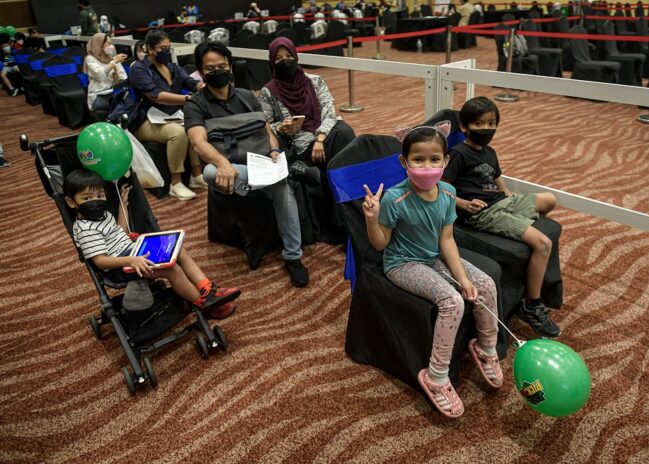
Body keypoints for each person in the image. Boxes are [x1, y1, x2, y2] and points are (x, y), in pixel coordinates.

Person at [362, 125, 502, 419]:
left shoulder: (449, 192)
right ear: (404, 162)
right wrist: (372, 220)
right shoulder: (394, 199)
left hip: (435, 257)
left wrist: (463, 278)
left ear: (446, 161)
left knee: (485, 284)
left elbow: (446, 240)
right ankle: (436, 376)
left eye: (434, 159)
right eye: (418, 159)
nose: (427, 167)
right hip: (403, 264)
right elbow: (380, 244)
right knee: (452, 301)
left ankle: (486, 347)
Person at [183, 41, 310, 288]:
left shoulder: (247, 96)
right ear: (200, 72)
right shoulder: (195, 104)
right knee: (210, 172)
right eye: (210, 69)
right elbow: (198, 142)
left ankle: (293, 258)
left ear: (230, 66)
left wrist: (274, 151)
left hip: (260, 161)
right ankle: (289, 174)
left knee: (280, 188)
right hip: (232, 171)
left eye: (222, 66)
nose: (218, 71)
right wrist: (223, 162)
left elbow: (266, 131)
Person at [442, 97, 560, 338]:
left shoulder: (490, 152)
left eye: (491, 123)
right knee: (543, 243)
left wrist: (509, 196)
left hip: (500, 202)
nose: (486, 128)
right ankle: (532, 304)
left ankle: (518, 233)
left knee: (550, 200)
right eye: (478, 123)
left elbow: (497, 178)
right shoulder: (458, 154)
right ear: (464, 126)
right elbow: (441, 188)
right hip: (482, 212)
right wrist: (464, 204)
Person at [64, 169, 240, 319]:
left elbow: (120, 231)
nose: (95, 201)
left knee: (176, 247)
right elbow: (100, 261)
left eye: (100, 195)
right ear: (71, 202)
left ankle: (207, 289)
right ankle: (204, 305)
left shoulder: (104, 215)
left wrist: (122, 206)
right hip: (120, 267)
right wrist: (131, 260)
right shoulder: (85, 229)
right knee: (172, 269)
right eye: (87, 198)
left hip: (132, 252)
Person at [258, 37, 355, 243]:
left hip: (325, 133)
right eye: (279, 58)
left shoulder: (315, 80)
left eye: (289, 56)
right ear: (271, 62)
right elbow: (266, 125)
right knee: (334, 154)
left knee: (344, 133)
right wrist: (281, 127)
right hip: (299, 142)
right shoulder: (268, 91)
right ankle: (338, 221)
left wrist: (320, 138)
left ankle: (347, 215)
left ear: (296, 56)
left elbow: (329, 111)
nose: (285, 61)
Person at [129, 30, 206, 201]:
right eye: (162, 48)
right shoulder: (139, 69)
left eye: (168, 48)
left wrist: (203, 85)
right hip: (145, 120)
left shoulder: (172, 67)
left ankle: (196, 175)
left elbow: (190, 83)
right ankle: (175, 183)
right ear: (150, 49)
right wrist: (188, 99)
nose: (166, 52)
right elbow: (156, 96)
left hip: (171, 116)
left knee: (194, 125)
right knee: (179, 133)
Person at [84, 33, 127, 111]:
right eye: (109, 43)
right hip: (99, 95)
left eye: (111, 43)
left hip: (114, 92)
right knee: (122, 104)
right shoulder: (90, 59)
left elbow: (123, 77)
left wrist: (116, 65)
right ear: (99, 45)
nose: (111, 46)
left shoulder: (112, 59)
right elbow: (100, 75)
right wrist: (114, 62)